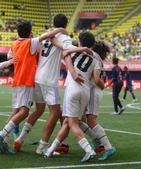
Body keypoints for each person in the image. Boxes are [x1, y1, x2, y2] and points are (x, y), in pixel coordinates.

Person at [12, 14, 83, 154]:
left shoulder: (46, 35)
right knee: (55, 112)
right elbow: (68, 52)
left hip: (37, 77)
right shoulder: (65, 38)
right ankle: (42, 146)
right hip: (50, 80)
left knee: (39, 110)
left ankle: (20, 138)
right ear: (66, 24)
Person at [0, 22, 67, 154]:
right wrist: (60, 29)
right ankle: (2, 134)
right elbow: (46, 36)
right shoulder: (30, 43)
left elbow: (10, 57)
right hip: (27, 81)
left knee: (20, 111)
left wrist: (17, 60)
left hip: (19, 81)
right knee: (25, 112)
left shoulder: (15, 43)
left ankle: (9, 138)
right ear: (29, 33)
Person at [44, 32, 105, 162]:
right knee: (67, 122)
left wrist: (79, 49)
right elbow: (96, 78)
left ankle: (89, 150)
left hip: (73, 89)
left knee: (72, 123)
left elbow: (64, 53)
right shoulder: (96, 57)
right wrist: (84, 49)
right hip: (86, 91)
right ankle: (49, 151)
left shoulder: (72, 51)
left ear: (80, 41)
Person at [80, 41, 117, 161]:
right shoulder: (97, 59)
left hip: (93, 91)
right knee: (79, 119)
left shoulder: (94, 58)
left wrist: (103, 85)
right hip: (92, 91)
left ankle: (108, 147)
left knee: (90, 119)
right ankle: (97, 140)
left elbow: (96, 80)